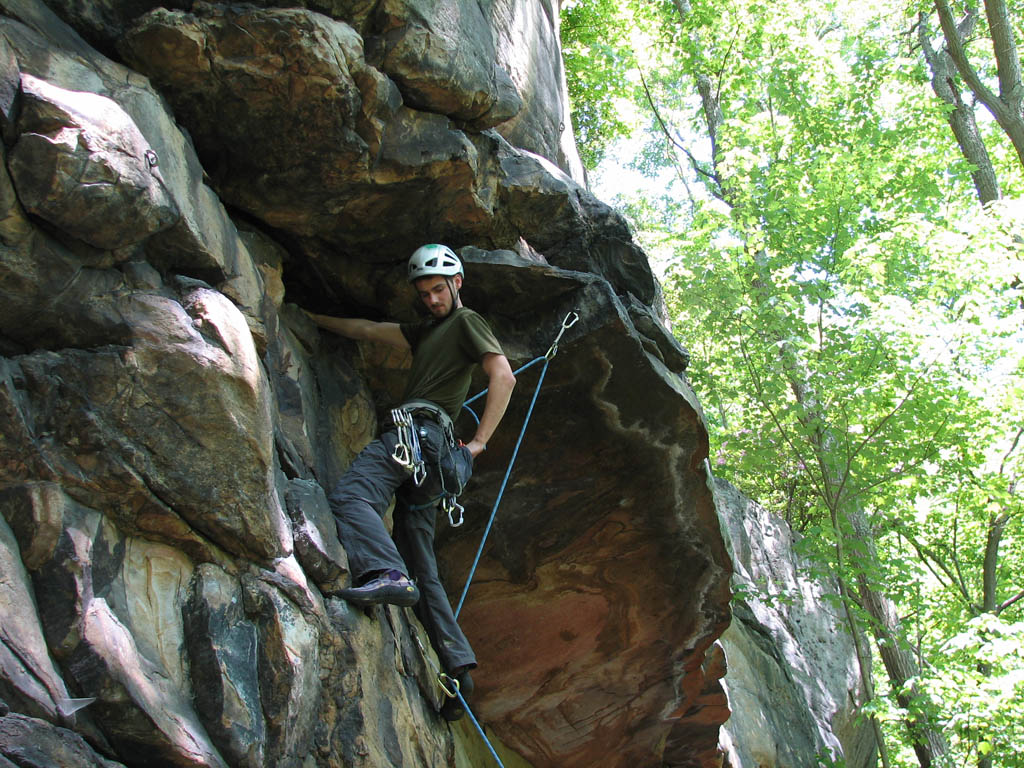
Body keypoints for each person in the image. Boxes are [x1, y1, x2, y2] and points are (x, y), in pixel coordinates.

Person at [308, 244, 516, 721]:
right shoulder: (426, 333)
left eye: (439, 290)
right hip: (430, 463)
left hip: (419, 437)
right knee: (424, 567)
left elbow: (502, 375)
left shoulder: (467, 322)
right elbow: (367, 330)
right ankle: (459, 670)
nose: (431, 300)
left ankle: (386, 574)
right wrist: (312, 316)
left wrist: (479, 443)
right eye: (424, 293)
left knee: (353, 495)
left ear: (457, 283)